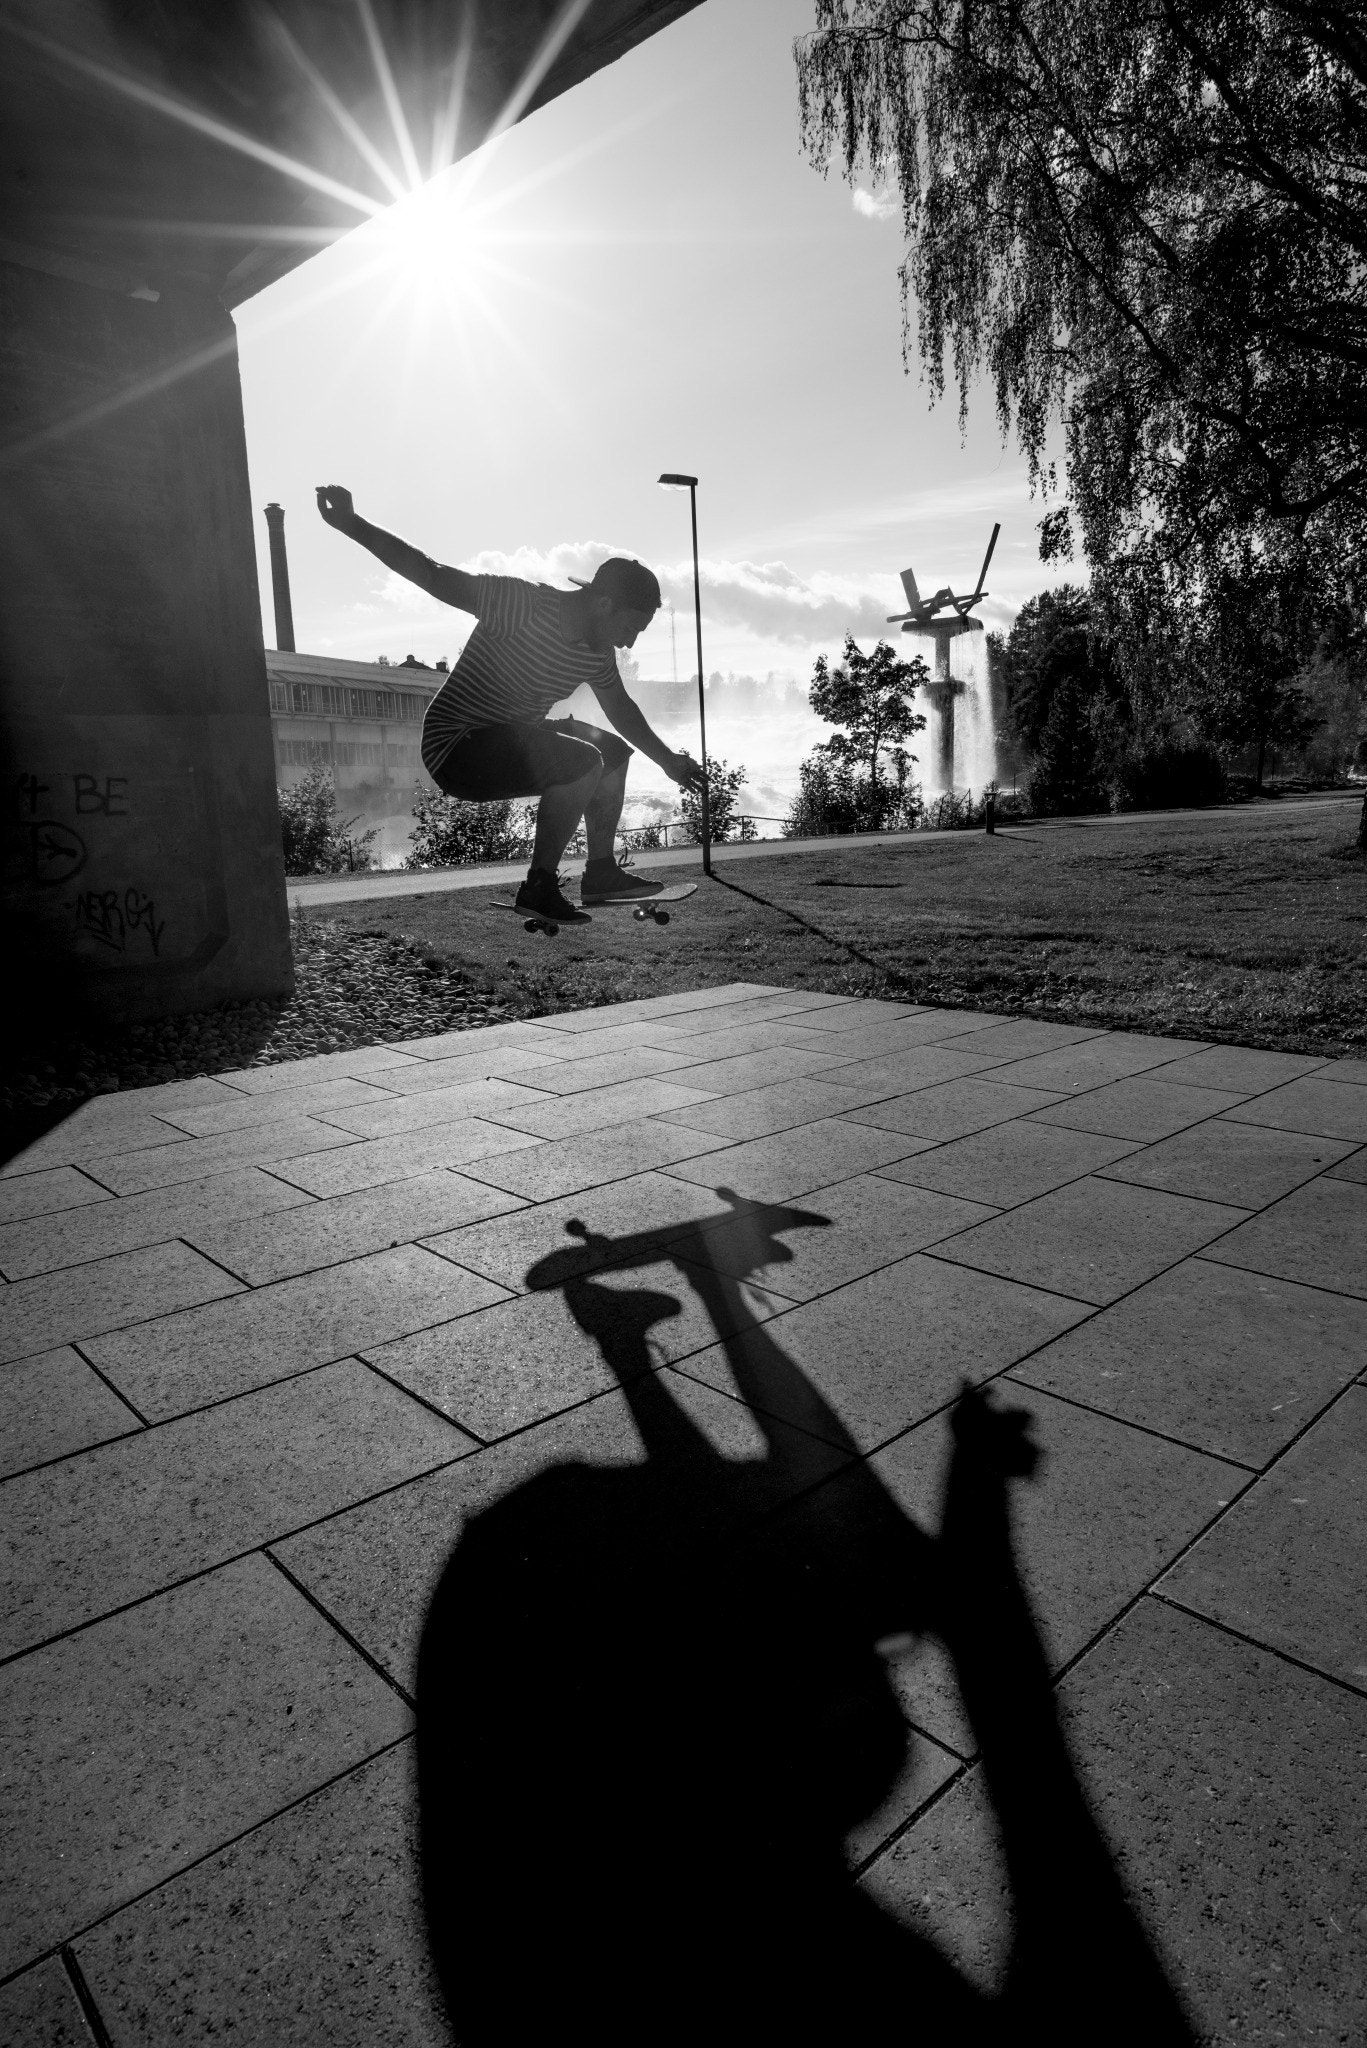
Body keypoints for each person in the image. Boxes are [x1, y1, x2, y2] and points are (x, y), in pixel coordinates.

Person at [315, 485, 706, 920]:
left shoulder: (597, 653)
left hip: (512, 737)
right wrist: (352, 524)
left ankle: (600, 874)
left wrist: (668, 760)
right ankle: (538, 886)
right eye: (630, 628)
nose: (629, 642)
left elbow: (622, 711)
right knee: (582, 761)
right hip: (457, 744)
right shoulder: (519, 603)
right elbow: (430, 573)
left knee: (612, 753)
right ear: (603, 603)